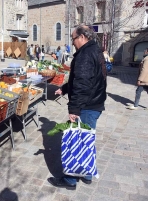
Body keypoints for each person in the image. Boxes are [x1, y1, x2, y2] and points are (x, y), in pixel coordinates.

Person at [48, 25, 107, 190]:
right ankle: (87, 174)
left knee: (76, 143)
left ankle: (70, 180)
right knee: (87, 141)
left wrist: (74, 110)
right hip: (94, 104)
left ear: (82, 37)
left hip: (86, 106)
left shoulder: (85, 55)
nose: (72, 42)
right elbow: (88, 78)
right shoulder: (95, 50)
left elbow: (82, 84)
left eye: (73, 38)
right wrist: (66, 88)